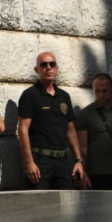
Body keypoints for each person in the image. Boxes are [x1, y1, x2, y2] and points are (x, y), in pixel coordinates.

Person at [18, 52, 86, 189]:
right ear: (36, 70)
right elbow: (23, 130)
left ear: (56, 68)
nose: (48, 68)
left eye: (52, 64)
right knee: (40, 201)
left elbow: (70, 130)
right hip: (40, 161)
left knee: (66, 201)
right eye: (43, 65)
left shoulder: (64, 96)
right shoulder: (30, 95)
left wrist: (78, 160)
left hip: (63, 162)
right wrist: (29, 162)